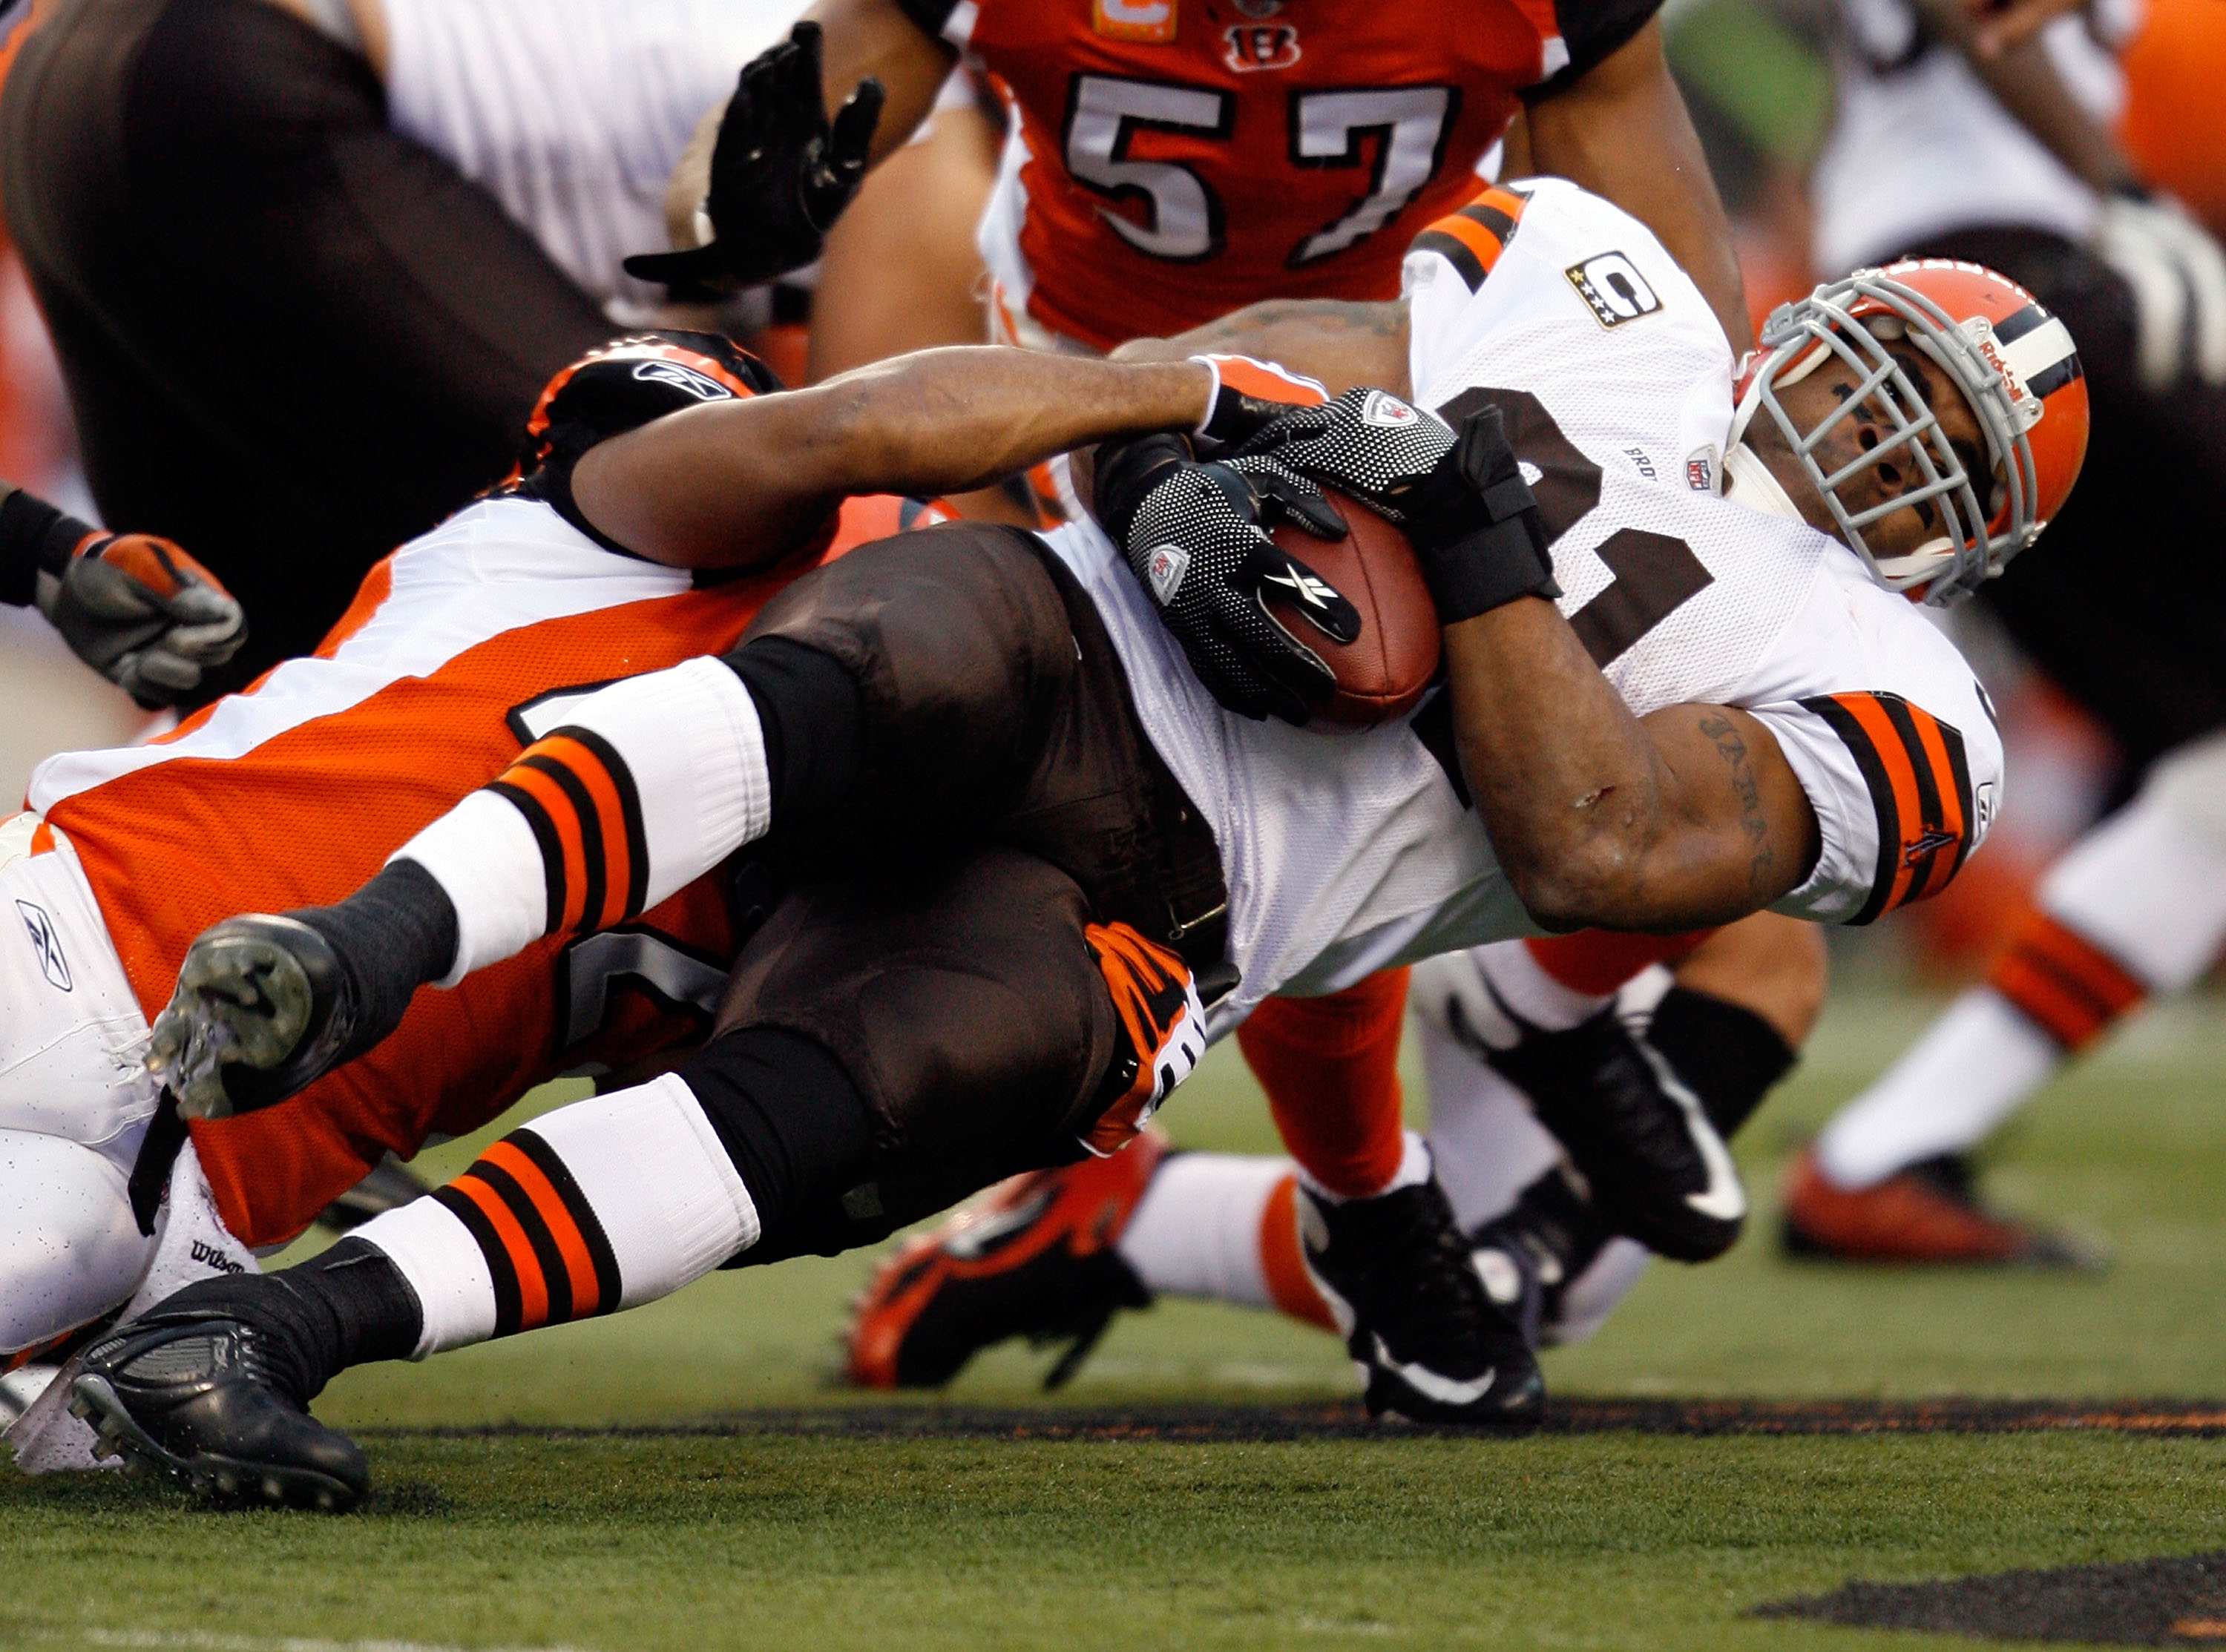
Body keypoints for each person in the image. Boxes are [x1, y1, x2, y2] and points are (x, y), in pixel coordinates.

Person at [67, 173, 2077, 1509]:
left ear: (1975, 545)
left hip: (1187, 898)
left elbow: (1593, 846)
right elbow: (1231, 377)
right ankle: (358, 944)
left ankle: (266, 1328)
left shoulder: (1902, 705)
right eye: (1882, 373)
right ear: (1808, 314)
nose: (1873, 436)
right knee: (877, 662)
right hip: (1090, 632)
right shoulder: (1592, 286)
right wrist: (1174, 479)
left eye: (1938, 443)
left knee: (871, 1095)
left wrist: (1457, 543)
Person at [0, 326, 1251, 1470]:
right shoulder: (573, 534)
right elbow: (844, 432)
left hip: (206, 1211)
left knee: (87, 1381)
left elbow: (756, 1139)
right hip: (78, 940)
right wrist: (1189, 389)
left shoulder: (897, 778)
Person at [1779, 0, 2226, 1262]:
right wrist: (2125, 189)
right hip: (2018, 294)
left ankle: (1881, 1158)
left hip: (1930, 311)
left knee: (2215, 775)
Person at [0, 0, 813, 691]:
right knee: (733, 552)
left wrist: (32, 543)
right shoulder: (901, 120)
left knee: (273, 681)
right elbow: (831, 503)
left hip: (77, 75)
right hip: (226, 87)